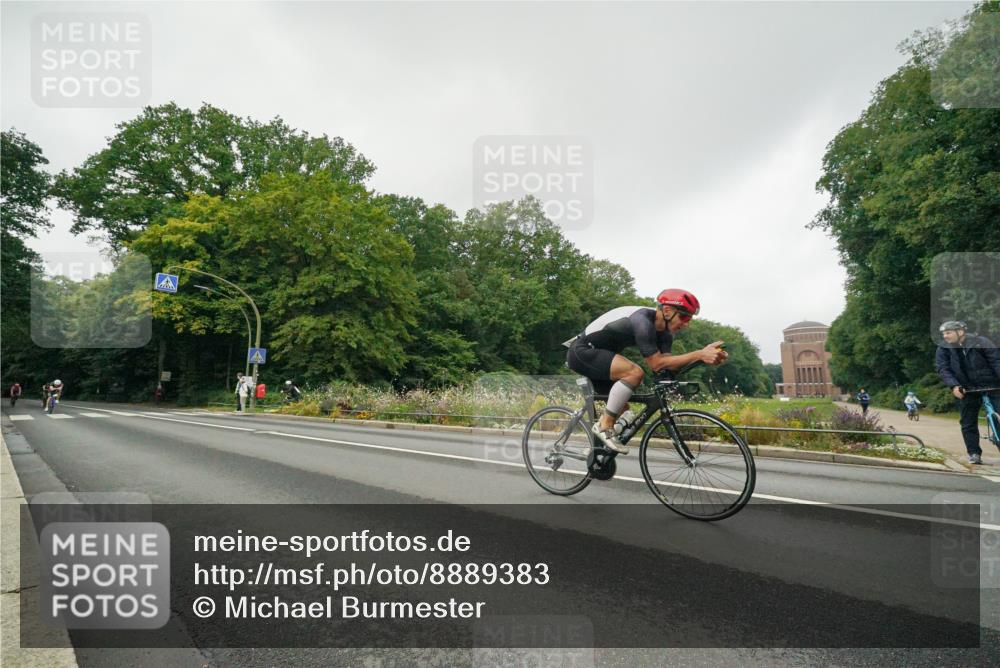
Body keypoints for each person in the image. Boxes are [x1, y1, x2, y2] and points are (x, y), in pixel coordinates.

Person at [564, 288, 728, 454]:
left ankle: (596, 452)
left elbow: (666, 367)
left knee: (626, 414)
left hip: (602, 358)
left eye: (689, 319)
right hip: (582, 352)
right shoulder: (642, 321)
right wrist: (699, 353)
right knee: (634, 372)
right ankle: (604, 426)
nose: (686, 323)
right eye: (684, 317)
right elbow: (657, 364)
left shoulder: (665, 335)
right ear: (667, 310)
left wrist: (702, 359)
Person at [935, 320, 1000, 465]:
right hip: (967, 389)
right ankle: (974, 453)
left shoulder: (980, 342)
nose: (945, 336)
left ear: (960, 331)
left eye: (948, 332)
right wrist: (954, 386)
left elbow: (996, 361)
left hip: (993, 385)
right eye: (944, 333)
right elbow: (943, 369)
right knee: (968, 422)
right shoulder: (943, 349)